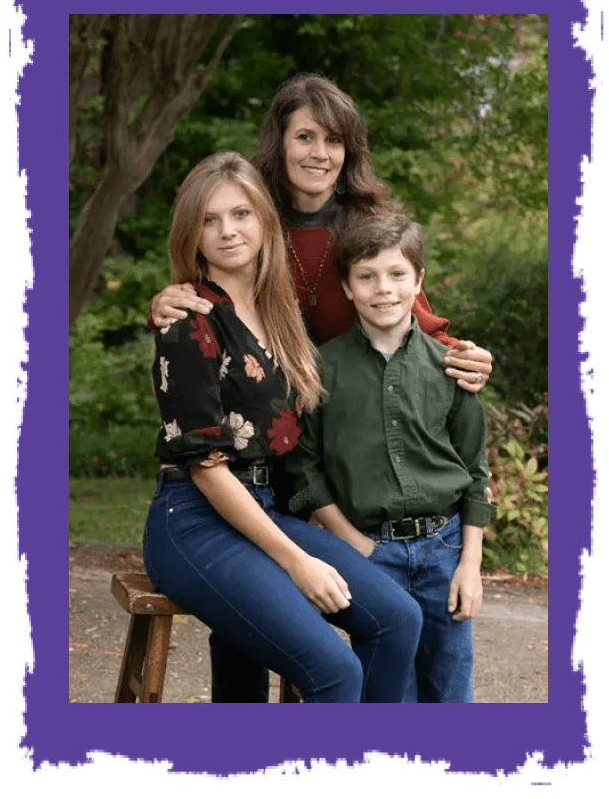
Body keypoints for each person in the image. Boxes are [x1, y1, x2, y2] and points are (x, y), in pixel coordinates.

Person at [149, 73, 494, 702]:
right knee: (251, 633)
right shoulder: (251, 222)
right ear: (278, 145)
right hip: (227, 470)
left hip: (317, 447)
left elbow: (409, 313)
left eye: (334, 139)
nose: (319, 152)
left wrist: (463, 355)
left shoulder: (359, 228)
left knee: (393, 627)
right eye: (304, 136)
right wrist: (169, 303)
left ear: (350, 150)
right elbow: (203, 307)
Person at [142, 151, 423, 703]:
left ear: (266, 220)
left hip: (266, 509)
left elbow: (394, 312)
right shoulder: (188, 321)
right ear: (190, 233)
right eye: (209, 219)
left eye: (242, 214)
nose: (227, 231)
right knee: (334, 670)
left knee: (397, 618)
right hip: (194, 521)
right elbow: (206, 469)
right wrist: (297, 562)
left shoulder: (280, 312)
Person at [283, 213, 494, 703]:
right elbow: (305, 468)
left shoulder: (451, 368)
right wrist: (353, 543)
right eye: (367, 276)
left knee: (449, 692)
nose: (384, 289)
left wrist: (470, 565)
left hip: (445, 553)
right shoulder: (321, 369)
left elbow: (474, 472)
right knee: (389, 696)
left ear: (418, 281)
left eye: (398, 274)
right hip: (373, 554)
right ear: (347, 286)